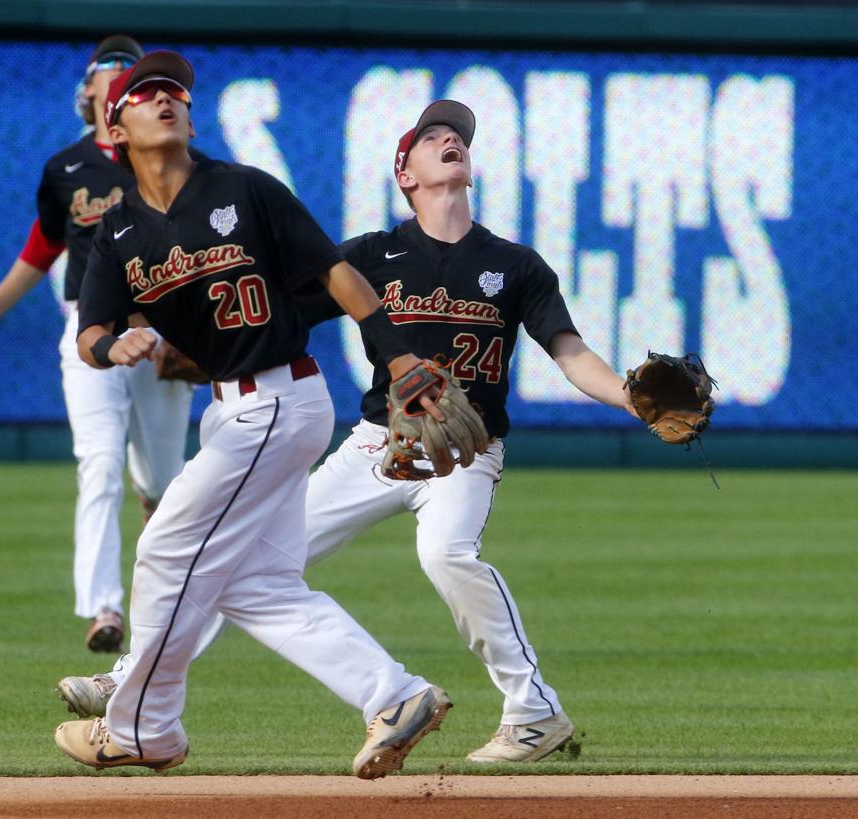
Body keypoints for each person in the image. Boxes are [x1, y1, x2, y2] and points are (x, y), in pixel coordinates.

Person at [57, 100, 642, 764]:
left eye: (458, 137)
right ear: (405, 172)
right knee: (246, 562)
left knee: (446, 554)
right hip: (374, 444)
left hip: (462, 450)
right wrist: (212, 350)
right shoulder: (375, 254)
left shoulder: (515, 266)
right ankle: (136, 675)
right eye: (432, 137)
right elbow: (281, 311)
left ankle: (533, 710)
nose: (451, 140)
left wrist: (627, 396)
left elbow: (568, 351)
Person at [54, 51, 453, 779]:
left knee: (166, 547)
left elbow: (334, 271)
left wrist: (397, 356)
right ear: (117, 126)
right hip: (233, 409)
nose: (165, 97)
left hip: (278, 396)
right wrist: (115, 345)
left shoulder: (244, 188)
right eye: (145, 93)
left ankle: (143, 724)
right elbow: (88, 331)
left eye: (175, 89)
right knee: (251, 585)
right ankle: (394, 694)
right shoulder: (117, 234)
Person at [0, 36, 195, 655]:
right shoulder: (66, 170)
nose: (116, 79)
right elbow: (42, 249)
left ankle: (161, 587)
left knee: (164, 481)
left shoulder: (171, 160)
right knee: (100, 465)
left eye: (129, 74)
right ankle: (105, 609)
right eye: (106, 72)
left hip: (158, 333)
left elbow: (197, 260)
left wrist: (194, 335)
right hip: (89, 332)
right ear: (87, 92)